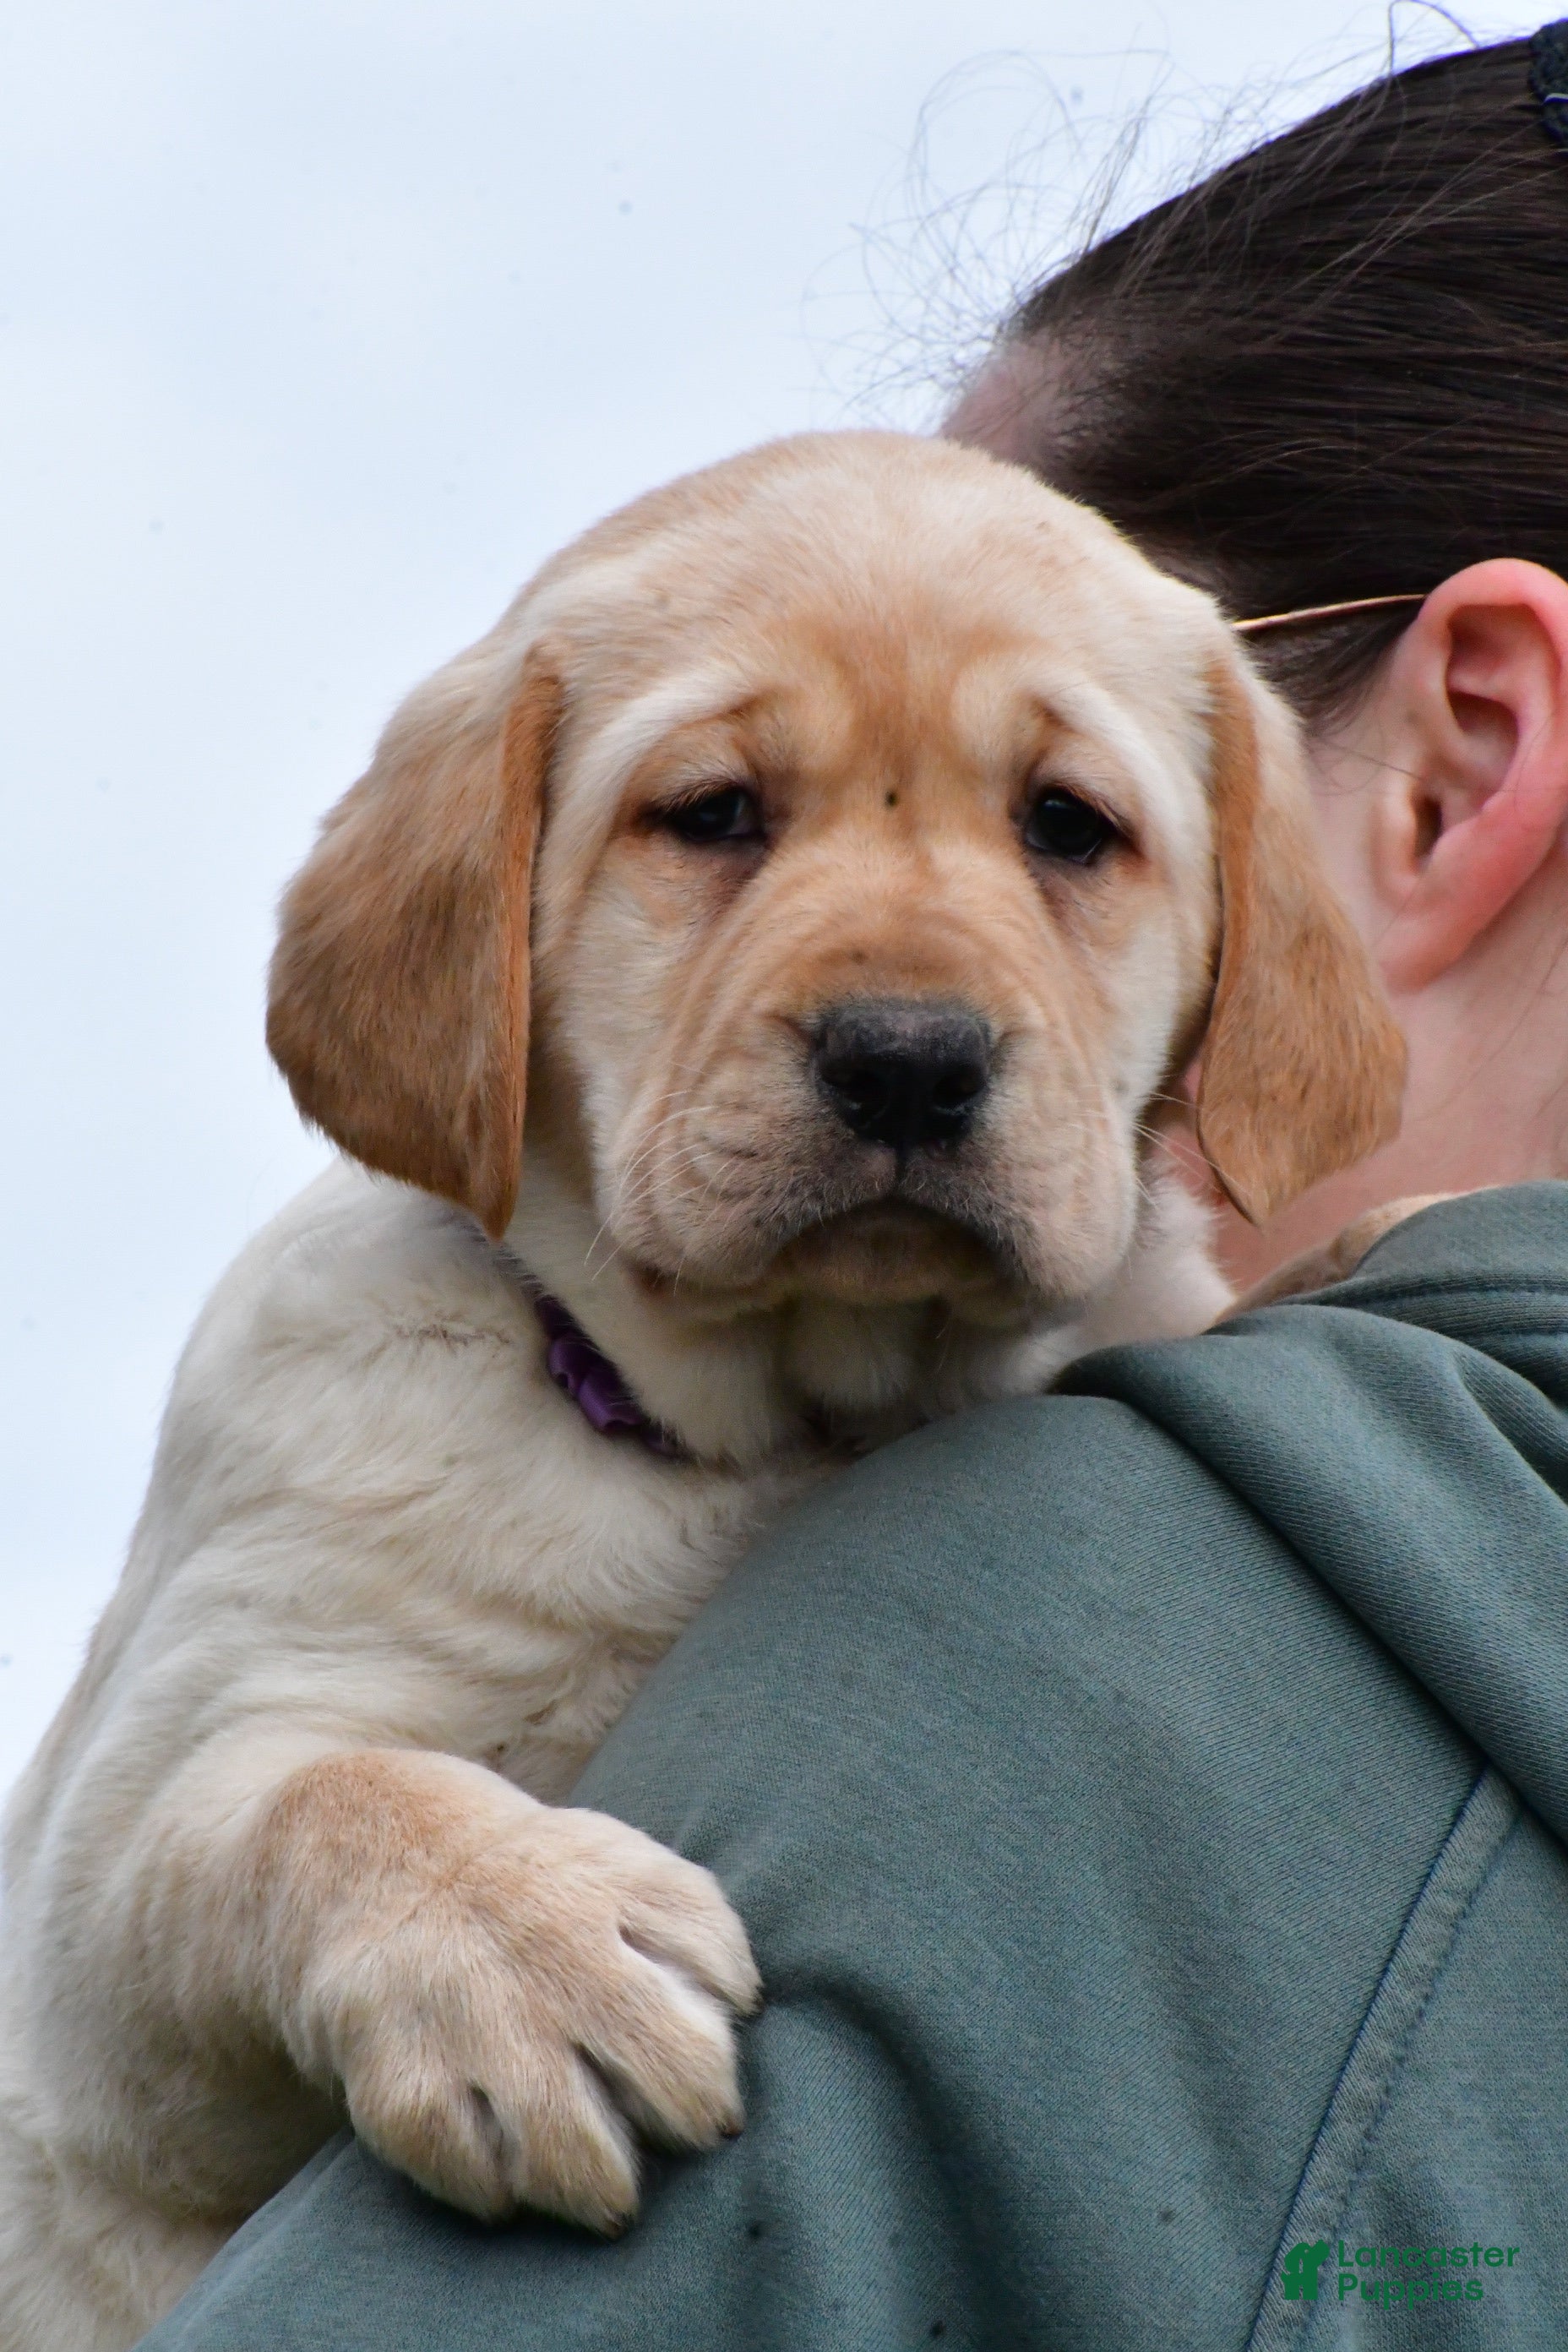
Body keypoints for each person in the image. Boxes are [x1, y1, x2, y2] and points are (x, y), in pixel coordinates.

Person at [137, 28, 1568, 2349]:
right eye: (721, 816)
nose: (911, 1006)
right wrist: (341, 1856)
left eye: (1069, 828)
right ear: (478, 934)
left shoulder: (1101, 1588)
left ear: (1425, 792)